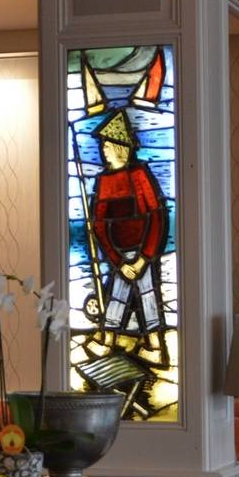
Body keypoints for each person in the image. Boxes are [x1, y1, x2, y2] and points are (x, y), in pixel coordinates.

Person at [83, 110, 169, 362]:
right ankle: (109, 340)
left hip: (142, 253)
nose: (103, 150)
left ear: (121, 147)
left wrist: (144, 258)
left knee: (148, 295)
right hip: (120, 257)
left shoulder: (139, 176)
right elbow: (99, 226)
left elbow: (156, 217)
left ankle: (155, 347)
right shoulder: (104, 182)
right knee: (117, 296)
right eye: (102, 146)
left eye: (107, 145)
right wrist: (118, 262)